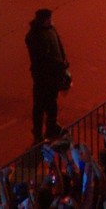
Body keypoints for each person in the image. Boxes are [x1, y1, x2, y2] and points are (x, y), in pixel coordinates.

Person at [24, 8, 69, 145]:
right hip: (42, 76)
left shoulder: (50, 29)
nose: (51, 20)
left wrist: (63, 59)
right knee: (40, 105)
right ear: (42, 20)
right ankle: (37, 133)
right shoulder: (35, 36)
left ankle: (51, 126)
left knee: (52, 102)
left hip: (54, 74)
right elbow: (44, 57)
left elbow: (58, 45)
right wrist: (60, 64)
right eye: (48, 19)